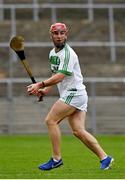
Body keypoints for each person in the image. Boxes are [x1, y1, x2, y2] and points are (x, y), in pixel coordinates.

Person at [27, 22, 114, 171]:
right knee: (78, 131)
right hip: (76, 94)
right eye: (56, 33)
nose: (59, 36)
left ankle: (56, 159)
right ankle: (105, 158)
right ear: (51, 35)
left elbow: (60, 76)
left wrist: (39, 85)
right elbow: (55, 74)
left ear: (66, 34)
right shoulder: (52, 53)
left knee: (50, 120)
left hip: (74, 93)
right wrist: (45, 90)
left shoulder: (68, 54)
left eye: (62, 33)